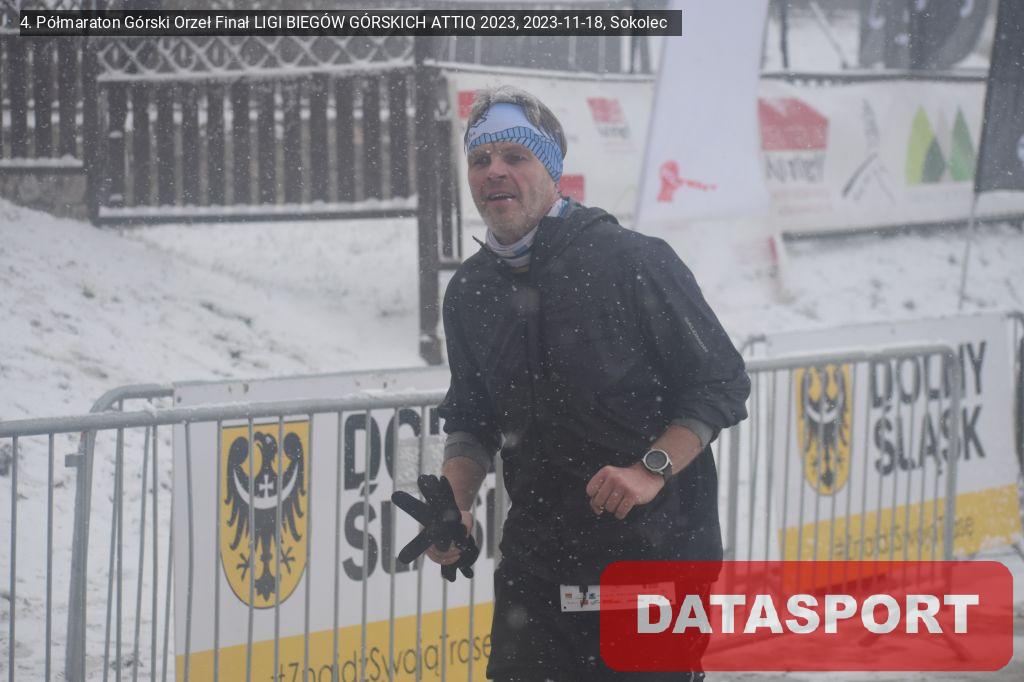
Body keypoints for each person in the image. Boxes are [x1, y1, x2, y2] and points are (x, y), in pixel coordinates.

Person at [430, 85, 750, 681]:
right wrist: (454, 503)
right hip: (536, 573)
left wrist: (650, 469)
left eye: (515, 156)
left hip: (652, 566)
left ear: (552, 169)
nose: (494, 171)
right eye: (479, 159)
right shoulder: (471, 291)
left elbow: (720, 382)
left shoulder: (632, 261)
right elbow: (472, 417)